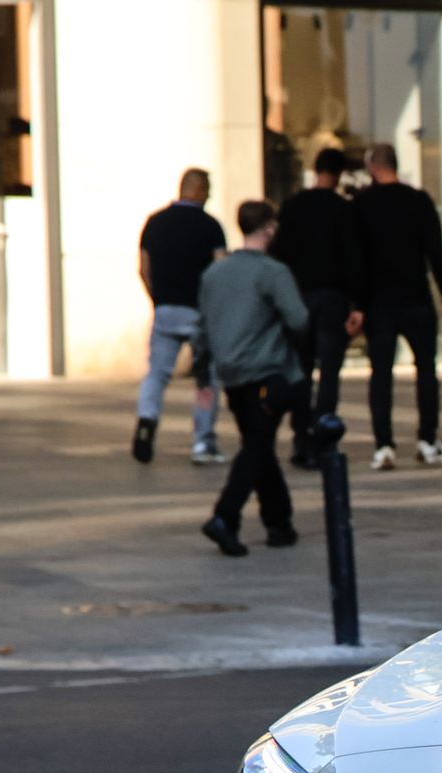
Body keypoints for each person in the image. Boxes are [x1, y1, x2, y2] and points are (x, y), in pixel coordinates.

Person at [190, 199, 309, 558]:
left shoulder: (214, 274)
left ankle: (279, 522)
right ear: (270, 229)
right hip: (268, 373)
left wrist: (202, 375)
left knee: (259, 446)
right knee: (256, 448)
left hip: (232, 376)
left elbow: (202, 329)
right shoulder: (272, 272)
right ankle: (225, 517)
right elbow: (299, 319)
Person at [353, 142, 442, 469]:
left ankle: (384, 445)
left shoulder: (363, 204)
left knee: (380, 373)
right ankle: (427, 439)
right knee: (426, 370)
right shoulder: (418, 201)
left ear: (372, 167)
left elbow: (353, 257)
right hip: (415, 297)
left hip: (379, 301)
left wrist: (356, 303)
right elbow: (435, 251)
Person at [269, 147, 366, 467]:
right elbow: (354, 260)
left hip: (297, 298)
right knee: (329, 373)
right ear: (338, 175)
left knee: (300, 372)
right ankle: (322, 432)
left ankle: (300, 438)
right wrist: (357, 305)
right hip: (332, 299)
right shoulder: (343, 210)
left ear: (314, 169)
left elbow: (279, 256)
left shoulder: (293, 207)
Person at [133, 168, 227, 466]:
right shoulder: (210, 226)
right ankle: (203, 441)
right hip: (199, 313)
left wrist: (157, 299)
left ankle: (147, 419)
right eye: (208, 188)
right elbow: (220, 270)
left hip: (165, 309)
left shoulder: (155, 222)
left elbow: (144, 267)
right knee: (206, 378)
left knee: (157, 373)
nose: (210, 194)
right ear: (197, 189)